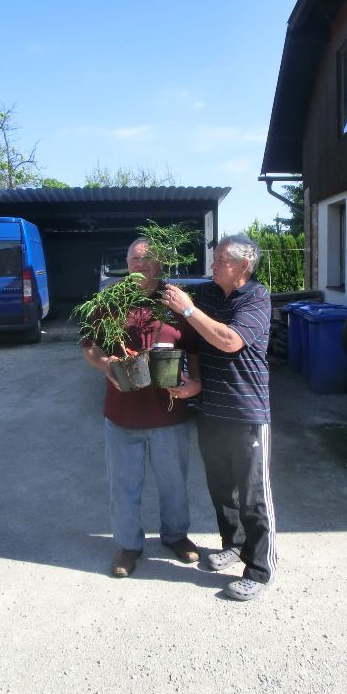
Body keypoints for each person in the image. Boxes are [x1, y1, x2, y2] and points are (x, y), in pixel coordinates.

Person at [162, 234, 276, 601]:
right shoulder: (208, 294)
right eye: (214, 260)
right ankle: (234, 544)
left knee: (253, 495)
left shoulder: (257, 297)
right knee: (221, 487)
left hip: (246, 413)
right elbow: (188, 328)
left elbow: (229, 341)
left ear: (244, 266)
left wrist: (188, 310)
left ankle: (260, 570)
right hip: (211, 409)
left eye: (221, 261)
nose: (212, 266)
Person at [82, 237, 202, 578]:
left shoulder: (175, 301)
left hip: (170, 412)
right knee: (123, 485)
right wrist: (105, 363)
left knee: (174, 483)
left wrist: (195, 382)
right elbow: (89, 346)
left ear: (160, 264)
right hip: (123, 414)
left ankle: (176, 536)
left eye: (148, 259)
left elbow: (194, 349)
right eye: (135, 258)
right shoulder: (110, 301)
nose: (141, 264)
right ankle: (128, 545)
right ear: (127, 264)